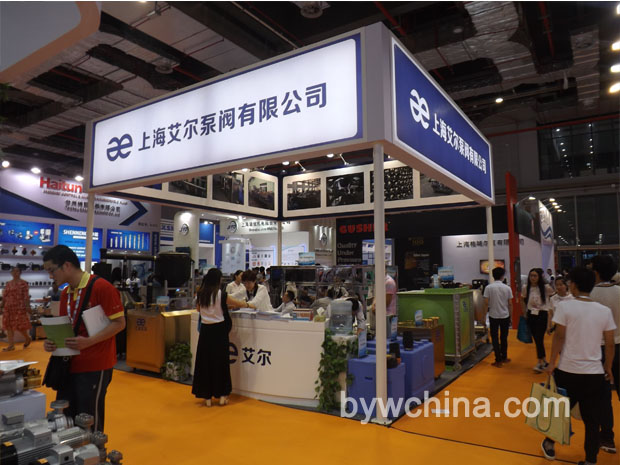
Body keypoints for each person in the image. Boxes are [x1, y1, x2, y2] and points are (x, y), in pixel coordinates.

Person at [42, 245, 126, 432]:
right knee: (66, 419)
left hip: (95, 365)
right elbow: (67, 326)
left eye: (52, 270)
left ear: (66, 265)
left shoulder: (102, 288)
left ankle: (94, 450)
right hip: (68, 365)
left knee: (89, 419)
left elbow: (120, 323)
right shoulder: (66, 293)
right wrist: (52, 342)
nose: (50, 276)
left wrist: (88, 342)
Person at [542, 267, 616, 465]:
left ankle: (549, 444)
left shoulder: (565, 307)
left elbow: (559, 336)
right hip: (594, 374)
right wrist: (608, 367)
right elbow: (609, 343)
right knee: (592, 420)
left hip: (568, 370)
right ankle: (591, 459)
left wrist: (551, 363)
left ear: (573, 285)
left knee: (559, 412)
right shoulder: (604, 311)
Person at [192, 269, 252, 407]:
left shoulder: (201, 293)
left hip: (205, 331)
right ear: (217, 280)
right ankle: (222, 395)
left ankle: (207, 397)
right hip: (219, 331)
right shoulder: (221, 294)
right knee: (221, 363)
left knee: (205, 363)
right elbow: (238, 303)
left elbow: (198, 310)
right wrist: (248, 304)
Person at [590, 255, 620, 454]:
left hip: (598, 349)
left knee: (603, 397)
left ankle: (607, 438)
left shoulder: (590, 295)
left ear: (596, 272)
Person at [522, 268, 554, 372]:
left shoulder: (546, 287)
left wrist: (551, 314)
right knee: (536, 339)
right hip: (531, 314)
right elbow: (523, 299)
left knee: (539, 338)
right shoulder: (526, 287)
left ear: (539, 277)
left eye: (535, 276)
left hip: (542, 314)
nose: (533, 278)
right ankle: (543, 360)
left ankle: (540, 362)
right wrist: (524, 312)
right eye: (531, 275)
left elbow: (552, 298)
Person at [483, 267, 513, 368]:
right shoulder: (507, 288)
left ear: (493, 275)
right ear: (502, 276)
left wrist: (484, 316)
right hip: (505, 315)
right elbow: (510, 304)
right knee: (504, 337)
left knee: (495, 338)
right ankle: (504, 357)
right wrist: (511, 317)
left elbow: (486, 303)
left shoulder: (488, 288)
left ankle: (498, 360)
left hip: (493, 316)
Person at [0, 267, 32, 351]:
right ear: (11, 273)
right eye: (13, 271)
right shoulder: (8, 283)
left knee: (20, 326)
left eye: (17, 271)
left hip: (19, 307)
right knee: (8, 326)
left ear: (20, 272)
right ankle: (11, 345)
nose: (15, 273)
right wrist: (1, 306)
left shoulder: (24, 283)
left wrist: (28, 307)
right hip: (8, 307)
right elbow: (5, 296)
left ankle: (27, 338)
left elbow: (26, 297)